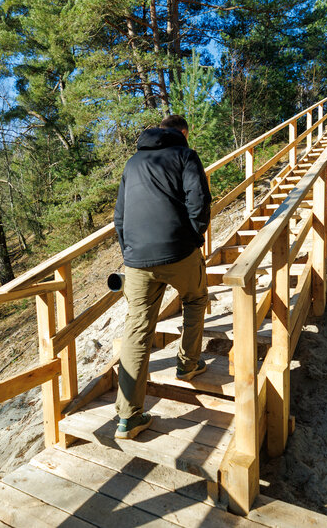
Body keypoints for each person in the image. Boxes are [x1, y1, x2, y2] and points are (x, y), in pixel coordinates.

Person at [112, 114, 212, 439]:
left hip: (137, 259)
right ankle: (188, 364)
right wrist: (195, 239)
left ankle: (128, 418)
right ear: (182, 132)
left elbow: (120, 217)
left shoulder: (132, 163)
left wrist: (129, 252)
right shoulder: (185, 155)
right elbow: (199, 201)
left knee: (137, 328)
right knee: (195, 298)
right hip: (179, 250)